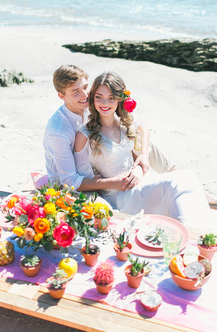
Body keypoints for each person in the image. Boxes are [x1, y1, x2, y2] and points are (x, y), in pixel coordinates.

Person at [73, 72, 210, 224]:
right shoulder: (85, 135)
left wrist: (143, 157)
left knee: (187, 178)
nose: (104, 103)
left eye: (111, 98)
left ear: (119, 99)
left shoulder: (123, 122)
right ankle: (191, 235)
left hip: (141, 183)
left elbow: (143, 127)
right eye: (99, 97)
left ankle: (193, 232)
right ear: (92, 98)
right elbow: (78, 181)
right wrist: (112, 182)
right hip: (121, 197)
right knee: (179, 182)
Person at [43, 65, 176, 194]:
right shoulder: (58, 132)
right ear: (62, 96)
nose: (85, 95)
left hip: (93, 162)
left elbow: (140, 125)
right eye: (76, 91)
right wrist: (111, 182)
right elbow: (69, 181)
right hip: (69, 183)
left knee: (138, 138)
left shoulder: (92, 103)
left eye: (85, 87)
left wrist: (143, 155)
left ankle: (173, 173)